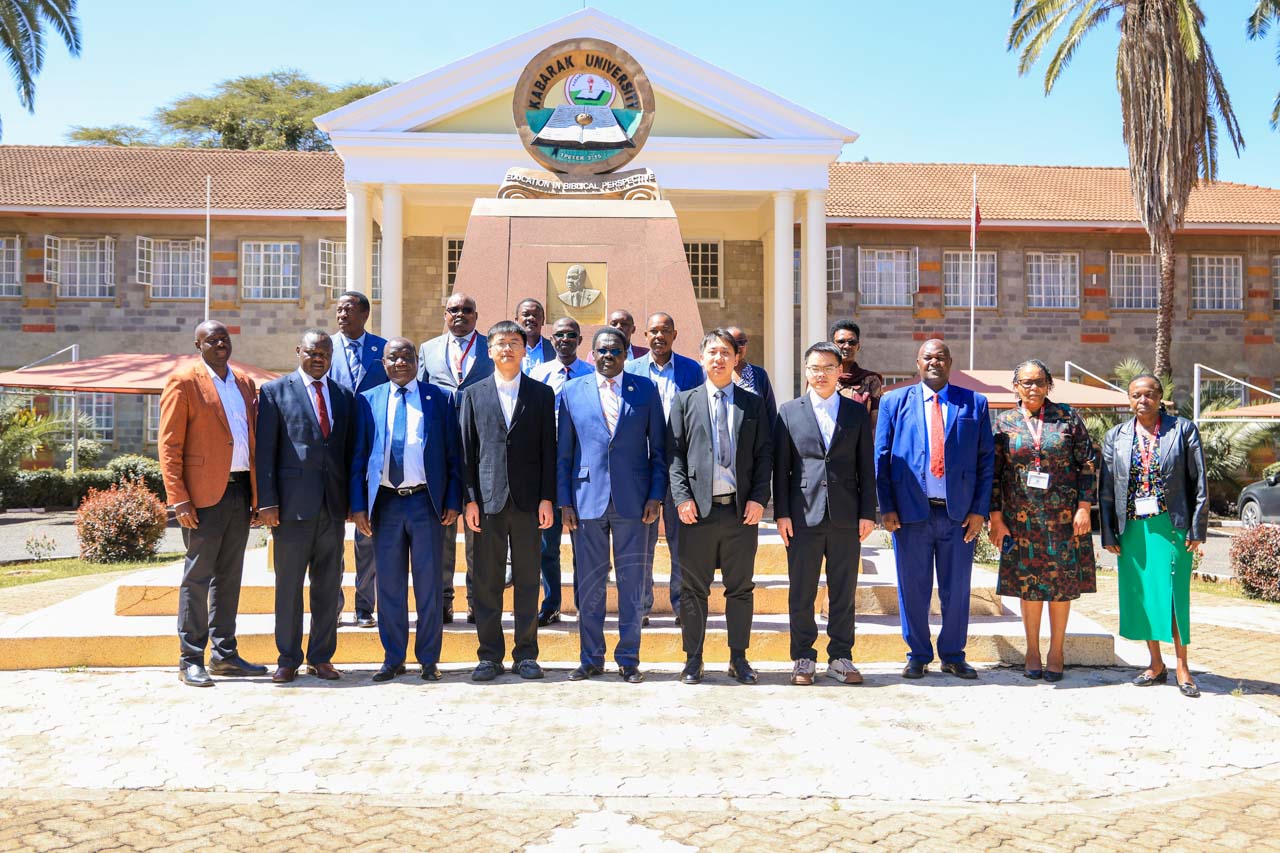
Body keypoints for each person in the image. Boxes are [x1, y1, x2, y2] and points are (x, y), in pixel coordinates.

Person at [875, 339, 993, 680]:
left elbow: (986, 461)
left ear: (950, 363)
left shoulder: (974, 403)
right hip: (910, 513)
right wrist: (887, 507)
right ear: (917, 362)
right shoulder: (894, 401)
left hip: (959, 515)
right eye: (928, 357)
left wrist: (979, 511)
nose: (934, 362)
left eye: (941, 357)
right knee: (913, 588)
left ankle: (953, 655)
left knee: (957, 589)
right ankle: (918, 654)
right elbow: (881, 458)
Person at [159, 320, 267, 687]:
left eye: (225, 338)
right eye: (212, 340)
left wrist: (257, 496)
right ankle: (190, 658)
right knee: (198, 577)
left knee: (230, 576)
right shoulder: (183, 381)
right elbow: (169, 445)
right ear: (198, 345)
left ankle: (224, 655)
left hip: (240, 491)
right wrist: (179, 499)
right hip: (202, 497)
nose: (220, 344)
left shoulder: (244, 382)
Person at [350, 338, 462, 683]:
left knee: (429, 585)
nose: (400, 362)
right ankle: (393, 658)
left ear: (417, 361)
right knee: (389, 586)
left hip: (425, 503)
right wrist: (358, 506)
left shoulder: (439, 398)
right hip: (384, 504)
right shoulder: (368, 400)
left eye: (407, 357)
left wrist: (452, 500)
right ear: (383, 363)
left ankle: (429, 659)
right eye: (393, 357)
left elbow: (453, 455)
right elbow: (357, 456)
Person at [557, 327, 666, 683]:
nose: (608, 356)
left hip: (634, 501)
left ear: (625, 355)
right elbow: (564, 452)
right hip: (586, 500)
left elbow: (659, 450)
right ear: (592, 354)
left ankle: (628, 659)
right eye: (602, 350)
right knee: (590, 584)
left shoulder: (645, 389)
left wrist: (656, 496)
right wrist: (564, 501)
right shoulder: (573, 391)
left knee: (632, 582)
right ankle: (591, 658)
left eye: (615, 351)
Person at [667, 329, 771, 685]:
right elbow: (674, 456)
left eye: (726, 352)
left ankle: (738, 658)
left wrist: (759, 498)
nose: (719, 358)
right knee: (694, 589)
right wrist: (682, 498)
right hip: (697, 513)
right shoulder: (685, 401)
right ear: (701, 358)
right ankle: (693, 659)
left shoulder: (752, 403)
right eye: (712, 352)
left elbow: (764, 456)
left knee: (740, 589)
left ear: (736, 358)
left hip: (740, 512)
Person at [987, 359, 1097, 683]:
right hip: (1021, 520)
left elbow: (1087, 464)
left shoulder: (1068, 417)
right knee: (1029, 586)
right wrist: (996, 518)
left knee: (1061, 587)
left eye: (1039, 381)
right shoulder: (1004, 422)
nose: (1033, 387)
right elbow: (994, 474)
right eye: (1026, 382)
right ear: (1015, 386)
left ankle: (1056, 651)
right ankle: (1032, 651)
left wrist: (1084, 507)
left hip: (1064, 520)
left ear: (1049, 384)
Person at [459, 321, 557, 681]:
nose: (507, 349)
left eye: (515, 342)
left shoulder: (541, 394)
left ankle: (526, 654)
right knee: (487, 581)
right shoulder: (473, 394)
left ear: (524, 350)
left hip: (530, 502)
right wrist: (470, 500)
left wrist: (547, 498)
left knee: (529, 579)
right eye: (501, 343)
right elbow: (466, 452)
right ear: (489, 351)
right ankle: (489, 655)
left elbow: (549, 450)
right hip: (487, 502)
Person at [774, 342, 877, 686]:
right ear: (806, 372)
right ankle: (803, 657)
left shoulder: (855, 412)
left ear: (839, 371)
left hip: (846, 515)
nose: (821, 374)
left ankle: (840, 656)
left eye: (828, 368)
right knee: (802, 590)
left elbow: (866, 466)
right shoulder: (789, 412)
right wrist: (782, 513)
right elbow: (781, 468)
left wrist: (868, 512)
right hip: (802, 516)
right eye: (815, 368)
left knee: (843, 590)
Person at [1100, 374, 1208, 698]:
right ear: (1128, 399)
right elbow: (1107, 488)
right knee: (1144, 595)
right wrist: (1108, 532)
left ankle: (1183, 667)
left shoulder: (1182, 430)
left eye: (1149, 394)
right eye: (1136, 395)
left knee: (1174, 596)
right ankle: (1156, 663)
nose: (1142, 400)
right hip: (1133, 527)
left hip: (1172, 525)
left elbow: (1199, 481)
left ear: (1160, 397)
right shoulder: (1116, 436)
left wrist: (1197, 527)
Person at [255, 330, 354, 683]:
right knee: (289, 587)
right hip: (291, 509)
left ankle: (321, 657)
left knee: (328, 587)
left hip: (332, 508)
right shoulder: (274, 392)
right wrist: (267, 501)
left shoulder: (343, 396)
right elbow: (264, 451)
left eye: (324, 353)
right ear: (299, 351)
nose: (318, 358)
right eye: (312, 352)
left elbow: (348, 453)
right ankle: (288, 658)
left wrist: (352, 502)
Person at [418, 292, 493, 624]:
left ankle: (477, 602)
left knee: (479, 532)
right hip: (442, 451)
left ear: (476, 315)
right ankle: (443, 600)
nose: (460, 314)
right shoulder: (428, 350)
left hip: (481, 450)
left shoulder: (490, 347)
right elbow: (421, 395)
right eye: (453, 310)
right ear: (444, 314)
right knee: (443, 529)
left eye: (466, 309)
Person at [625, 312, 704, 624]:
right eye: (653, 331)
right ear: (644, 335)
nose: (659, 336)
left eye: (665, 330)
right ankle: (640, 607)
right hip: (640, 467)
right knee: (641, 542)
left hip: (678, 466)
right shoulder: (631, 370)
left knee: (680, 541)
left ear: (675, 334)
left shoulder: (691, 370)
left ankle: (682, 606)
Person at [328, 290, 388, 629]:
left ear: (365, 314)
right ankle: (333, 606)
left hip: (371, 453)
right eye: (339, 309)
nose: (342, 314)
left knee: (367, 535)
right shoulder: (324, 348)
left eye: (348, 309)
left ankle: (365, 607)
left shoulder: (383, 349)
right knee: (332, 538)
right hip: (334, 453)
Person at [529, 317, 593, 626]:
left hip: (582, 467)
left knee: (584, 545)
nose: (565, 339)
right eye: (559, 335)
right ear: (551, 340)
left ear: (579, 340)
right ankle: (551, 603)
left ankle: (585, 605)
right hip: (548, 466)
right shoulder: (538, 375)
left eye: (571, 334)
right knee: (547, 544)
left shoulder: (592, 374)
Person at [831, 320, 884, 422]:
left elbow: (876, 421)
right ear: (832, 346)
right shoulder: (823, 378)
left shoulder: (871, 380)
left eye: (852, 342)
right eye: (841, 342)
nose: (847, 346)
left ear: (858, 346)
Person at [726, 326, 777, 426]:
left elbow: (771, 412)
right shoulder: (718, 373)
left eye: (741, 342)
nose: (737, 347)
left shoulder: (760, 374)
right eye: (732, 342)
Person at [516, 298, 554, 375]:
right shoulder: (508, 349)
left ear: (543, 320)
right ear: (516, 321)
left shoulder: (554, 349)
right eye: (526, 315)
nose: (531, 318)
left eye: (535, 315)